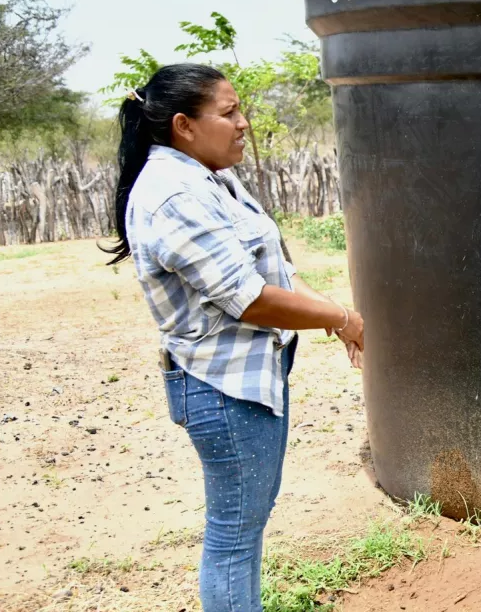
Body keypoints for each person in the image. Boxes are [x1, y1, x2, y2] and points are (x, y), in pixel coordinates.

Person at [102, 64, 366, 612]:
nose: (243, 123)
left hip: (244, 383)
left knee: (244, 527)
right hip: (223, 392)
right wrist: (338, 317)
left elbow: (275, 270)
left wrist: (332, 312)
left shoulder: (210, 174)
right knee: (234, 537)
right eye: (229, 113)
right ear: (184, 125)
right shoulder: (175, 195)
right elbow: (247, 297)